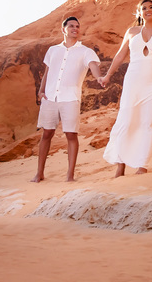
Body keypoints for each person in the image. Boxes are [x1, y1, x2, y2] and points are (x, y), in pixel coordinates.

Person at [100, 0, 152, 176]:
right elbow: (119, 56)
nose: (148, 10)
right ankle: (121, 165)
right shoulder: (131, 32)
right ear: (139, 13)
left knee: (148, 122)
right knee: (126, 120)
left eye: (151, 7)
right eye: (144, 8)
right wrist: (108, 75)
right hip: (133, 80)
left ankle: (142, 164)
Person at [31, 15, 104, 183]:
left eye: (77, 26)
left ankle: (70, 175)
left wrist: (99, 77)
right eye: (71, 26)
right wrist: (41, 91)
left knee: (71, 134)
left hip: (70, 98)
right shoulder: (53, 50)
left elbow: (93, 65)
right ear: (63, 29)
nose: (75, 28)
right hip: (50, 97)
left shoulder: (85, 51)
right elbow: (48, 72)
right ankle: (39, 173)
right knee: (46, 133)